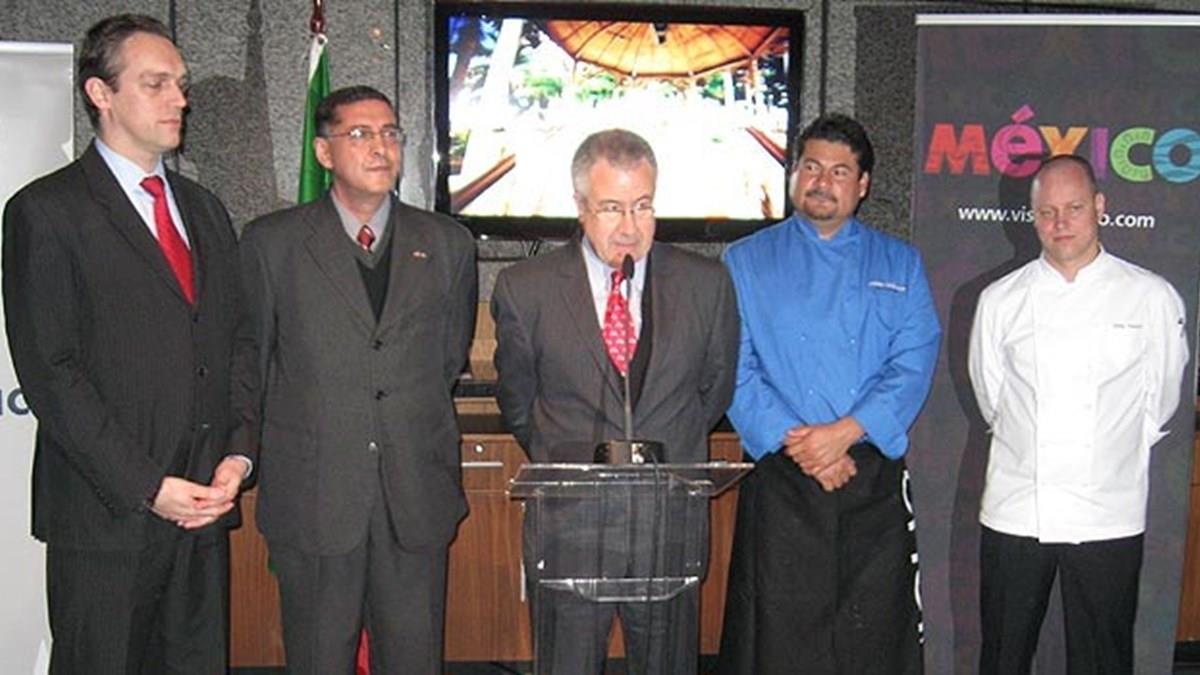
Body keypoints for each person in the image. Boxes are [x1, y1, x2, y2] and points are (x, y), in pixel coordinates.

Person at [2, 13, 254, 673]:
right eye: (156, 83)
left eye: (181, 83)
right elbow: (51, 373)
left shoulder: (205, 210)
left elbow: (237, 344)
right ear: (101, 93)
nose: (180, 99)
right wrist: (147, 486)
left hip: (203, 510)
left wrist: (237, 455)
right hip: (105, 519)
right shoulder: (45, 211)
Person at [239, 85, 476, 674]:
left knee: (414, 661)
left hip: (414, 494)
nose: (380, 147)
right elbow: (254, 363)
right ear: (323, 153)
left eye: (390, 134)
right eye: (361, 134)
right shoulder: (273, 243)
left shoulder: (446, 243)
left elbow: (447, 359)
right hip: (315, 497)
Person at [491, 128, 739, 674]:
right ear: (580, 207)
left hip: (667, 532)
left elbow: (714, 390)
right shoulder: (525, 288)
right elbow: (519, 402)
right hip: (571, 532)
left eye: (643, 206)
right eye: (611, 208)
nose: (630, 227)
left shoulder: (707, 284)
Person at [718, 113, 940, 674]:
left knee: (873, 637)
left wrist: (844, 434)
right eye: (812, 167)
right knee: (778, 639)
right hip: (783, 474)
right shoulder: (744, 260)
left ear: (862, 185)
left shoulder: (901, 263)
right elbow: (733, 367)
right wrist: (805, 446)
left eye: (840, 171)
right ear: (794, 173)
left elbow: (913, 361)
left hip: (869, 473)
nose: (822, 181)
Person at [967, 155, 1187, 674]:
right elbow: (991, 397)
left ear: (1099, 207)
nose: (1060, 223)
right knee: (1003, 656)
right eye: (1047, 212)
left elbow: (1162, 400)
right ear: (1032, 216)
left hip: (1108, 507)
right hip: (1018, 504)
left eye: (1074, 208)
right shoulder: (1000, 300)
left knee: (1103, 659)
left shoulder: (1151, 297)